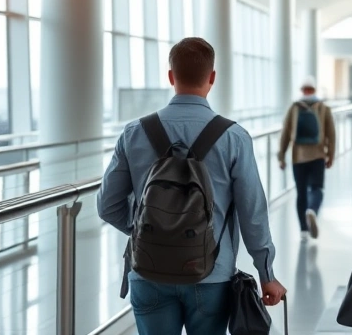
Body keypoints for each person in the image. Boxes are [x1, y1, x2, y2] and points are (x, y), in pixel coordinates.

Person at [97, 37, 286, 334]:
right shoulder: (234, 137)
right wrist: (266, 274)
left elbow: (107, 205)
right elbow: (253, 213)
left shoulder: (134, 133)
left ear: (171, 77)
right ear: (212, 78)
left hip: (147, 270)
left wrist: (151, 231)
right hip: (211, 274)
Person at [278, 76, 336, 241]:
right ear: (314, 90)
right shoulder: (324, 108)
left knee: (301, 192)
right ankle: (312, 210)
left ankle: (303, 231)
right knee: (316, 188)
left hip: (298, 157)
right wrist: (330, 154)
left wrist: (281, 156)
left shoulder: (294, 108)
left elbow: (285, 133)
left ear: (302, 90)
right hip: (318, 155)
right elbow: (331, 134)